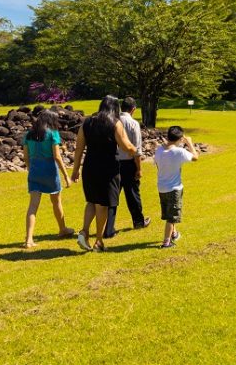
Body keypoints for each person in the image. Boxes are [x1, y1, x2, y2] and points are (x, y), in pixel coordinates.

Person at [71, 95, 138, 252]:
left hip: (89, 167)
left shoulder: (87, 122)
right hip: (108, 168)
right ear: (115, 109)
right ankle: (99, 241)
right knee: (104, 205)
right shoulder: (115, 123)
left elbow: (79, 148)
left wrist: (75, 170)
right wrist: (135, 150)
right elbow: (126, 146)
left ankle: (84, 231)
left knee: (92, 201)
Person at [22, 110, 75, 249]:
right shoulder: (53, 133)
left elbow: (25, 157)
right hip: (50, 170)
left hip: (34, 170)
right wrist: (66, 176)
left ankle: (28, 240)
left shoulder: (29, 134)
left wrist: (30, 169)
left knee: (33, 206)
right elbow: (57, 157)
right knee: (56, 202)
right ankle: (62, 229)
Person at [103, 96, 150, 238]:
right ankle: (138, 221)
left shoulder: (111, 121)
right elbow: (136, 149)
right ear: (133, 109)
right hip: (128, 163)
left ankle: (109, 226)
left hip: (113, 163)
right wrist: (139, 168)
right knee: (133, 194)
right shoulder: (133, 123)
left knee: (112, 196)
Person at [153, 125, 198, 249]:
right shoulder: (179, 152)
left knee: (169, 212)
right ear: (179, 139)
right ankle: (166, 242)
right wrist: (189, 143)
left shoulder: (159, 150)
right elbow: (195, 157)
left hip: (161, 187)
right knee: (172, 217)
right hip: (174, 188)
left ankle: (174, 233)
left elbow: (157, 165)